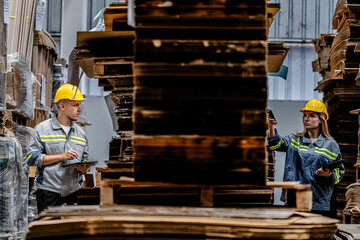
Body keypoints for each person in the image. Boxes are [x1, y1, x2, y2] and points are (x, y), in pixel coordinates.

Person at [267, 99, 345, 216]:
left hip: (318, 201)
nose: (306, 119)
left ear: (321, 119)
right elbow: (275, 144)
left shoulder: (330, 145)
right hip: (293, 199)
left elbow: (339, 171)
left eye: (311, 116)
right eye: (305, 115)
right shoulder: (294, 139)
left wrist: (329, 174)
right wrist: (271, 126)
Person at [26, 84, 92, 213]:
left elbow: (85, 159)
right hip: (48, 193)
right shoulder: (42, 129)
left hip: (72, 193)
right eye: (75, 105)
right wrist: (62, 157)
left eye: (79, 105)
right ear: (62, 106)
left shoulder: (81, 134)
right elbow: (31, 158)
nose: (79, 109)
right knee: (46, 231)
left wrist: (84, 169)